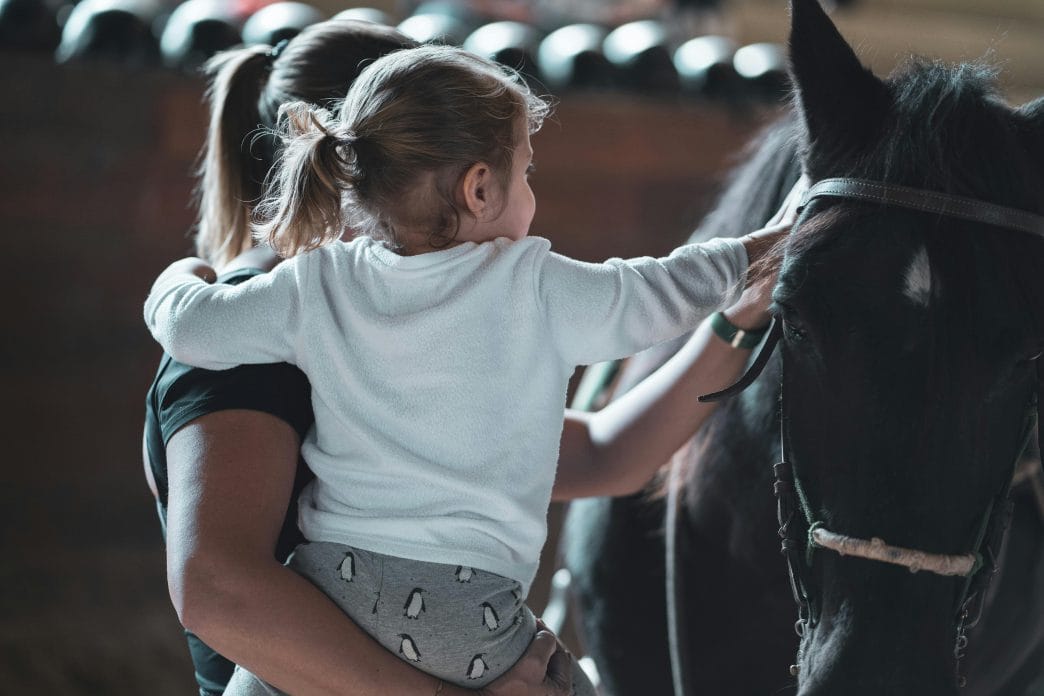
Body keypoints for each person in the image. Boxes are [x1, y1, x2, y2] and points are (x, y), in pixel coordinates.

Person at [144, 43, 791, 695]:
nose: (531, 192)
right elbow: (659, 289)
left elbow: (189, 323)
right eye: (527, 171)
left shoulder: (312, 286)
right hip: (466, 615)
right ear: (479, 187)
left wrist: (181, 276)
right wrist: (766, 247)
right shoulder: (529, 284)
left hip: (332, 581)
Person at [144, 21, 579, 696]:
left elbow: (602, 453)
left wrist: (735, 317)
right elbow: (218, 591)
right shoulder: (256, 331)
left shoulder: (380, 326)